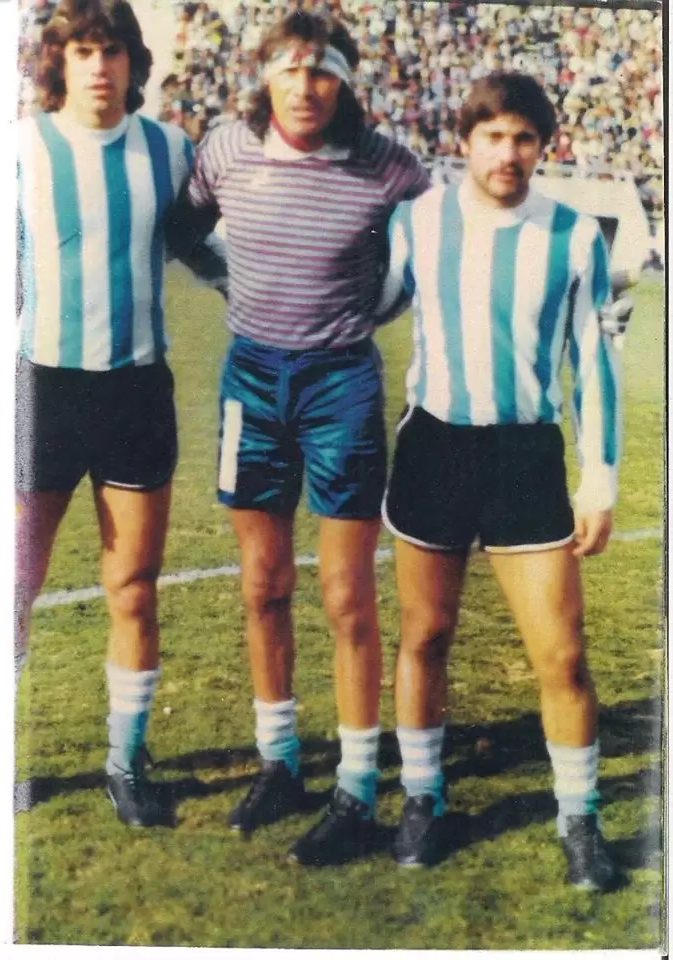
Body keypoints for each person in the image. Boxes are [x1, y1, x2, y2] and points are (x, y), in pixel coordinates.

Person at [170, 9, 430, 865]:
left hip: (340, 385)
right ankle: (278, 763)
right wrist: (226, 282)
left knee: (347, 596)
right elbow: (183, 231)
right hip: (250, 380)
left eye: (322, 71)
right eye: (288, 69)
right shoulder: (225, 150)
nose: (305, 85)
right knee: (262, 583)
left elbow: (435, 246)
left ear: (344, 84)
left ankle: (356, 789)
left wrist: (378, 308)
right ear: (265, 77)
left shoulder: (387, 165)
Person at [378, 72, 625, 890]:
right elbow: (363, 307)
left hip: (525, 457)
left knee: (561, 653)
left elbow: (593, 360)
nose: (507, 153)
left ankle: (578, 817)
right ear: (464, 141)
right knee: (424, 636)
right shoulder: (417, 220)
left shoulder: (573, 235)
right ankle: (421, 797)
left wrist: (599, 478)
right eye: (492, 136)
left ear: (543, 146)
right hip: (434, 447)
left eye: (523, 138)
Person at [15, 0, 225, 827]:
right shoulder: (21, 149)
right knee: (13, 585)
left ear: (135, 62)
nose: (99, 67)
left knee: (132, 589)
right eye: (83, 51)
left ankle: (125, 763)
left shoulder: (169, 150)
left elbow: (201, 252)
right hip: (41, 391)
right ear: (59, 62)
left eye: (112, 52)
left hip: (135, 393)